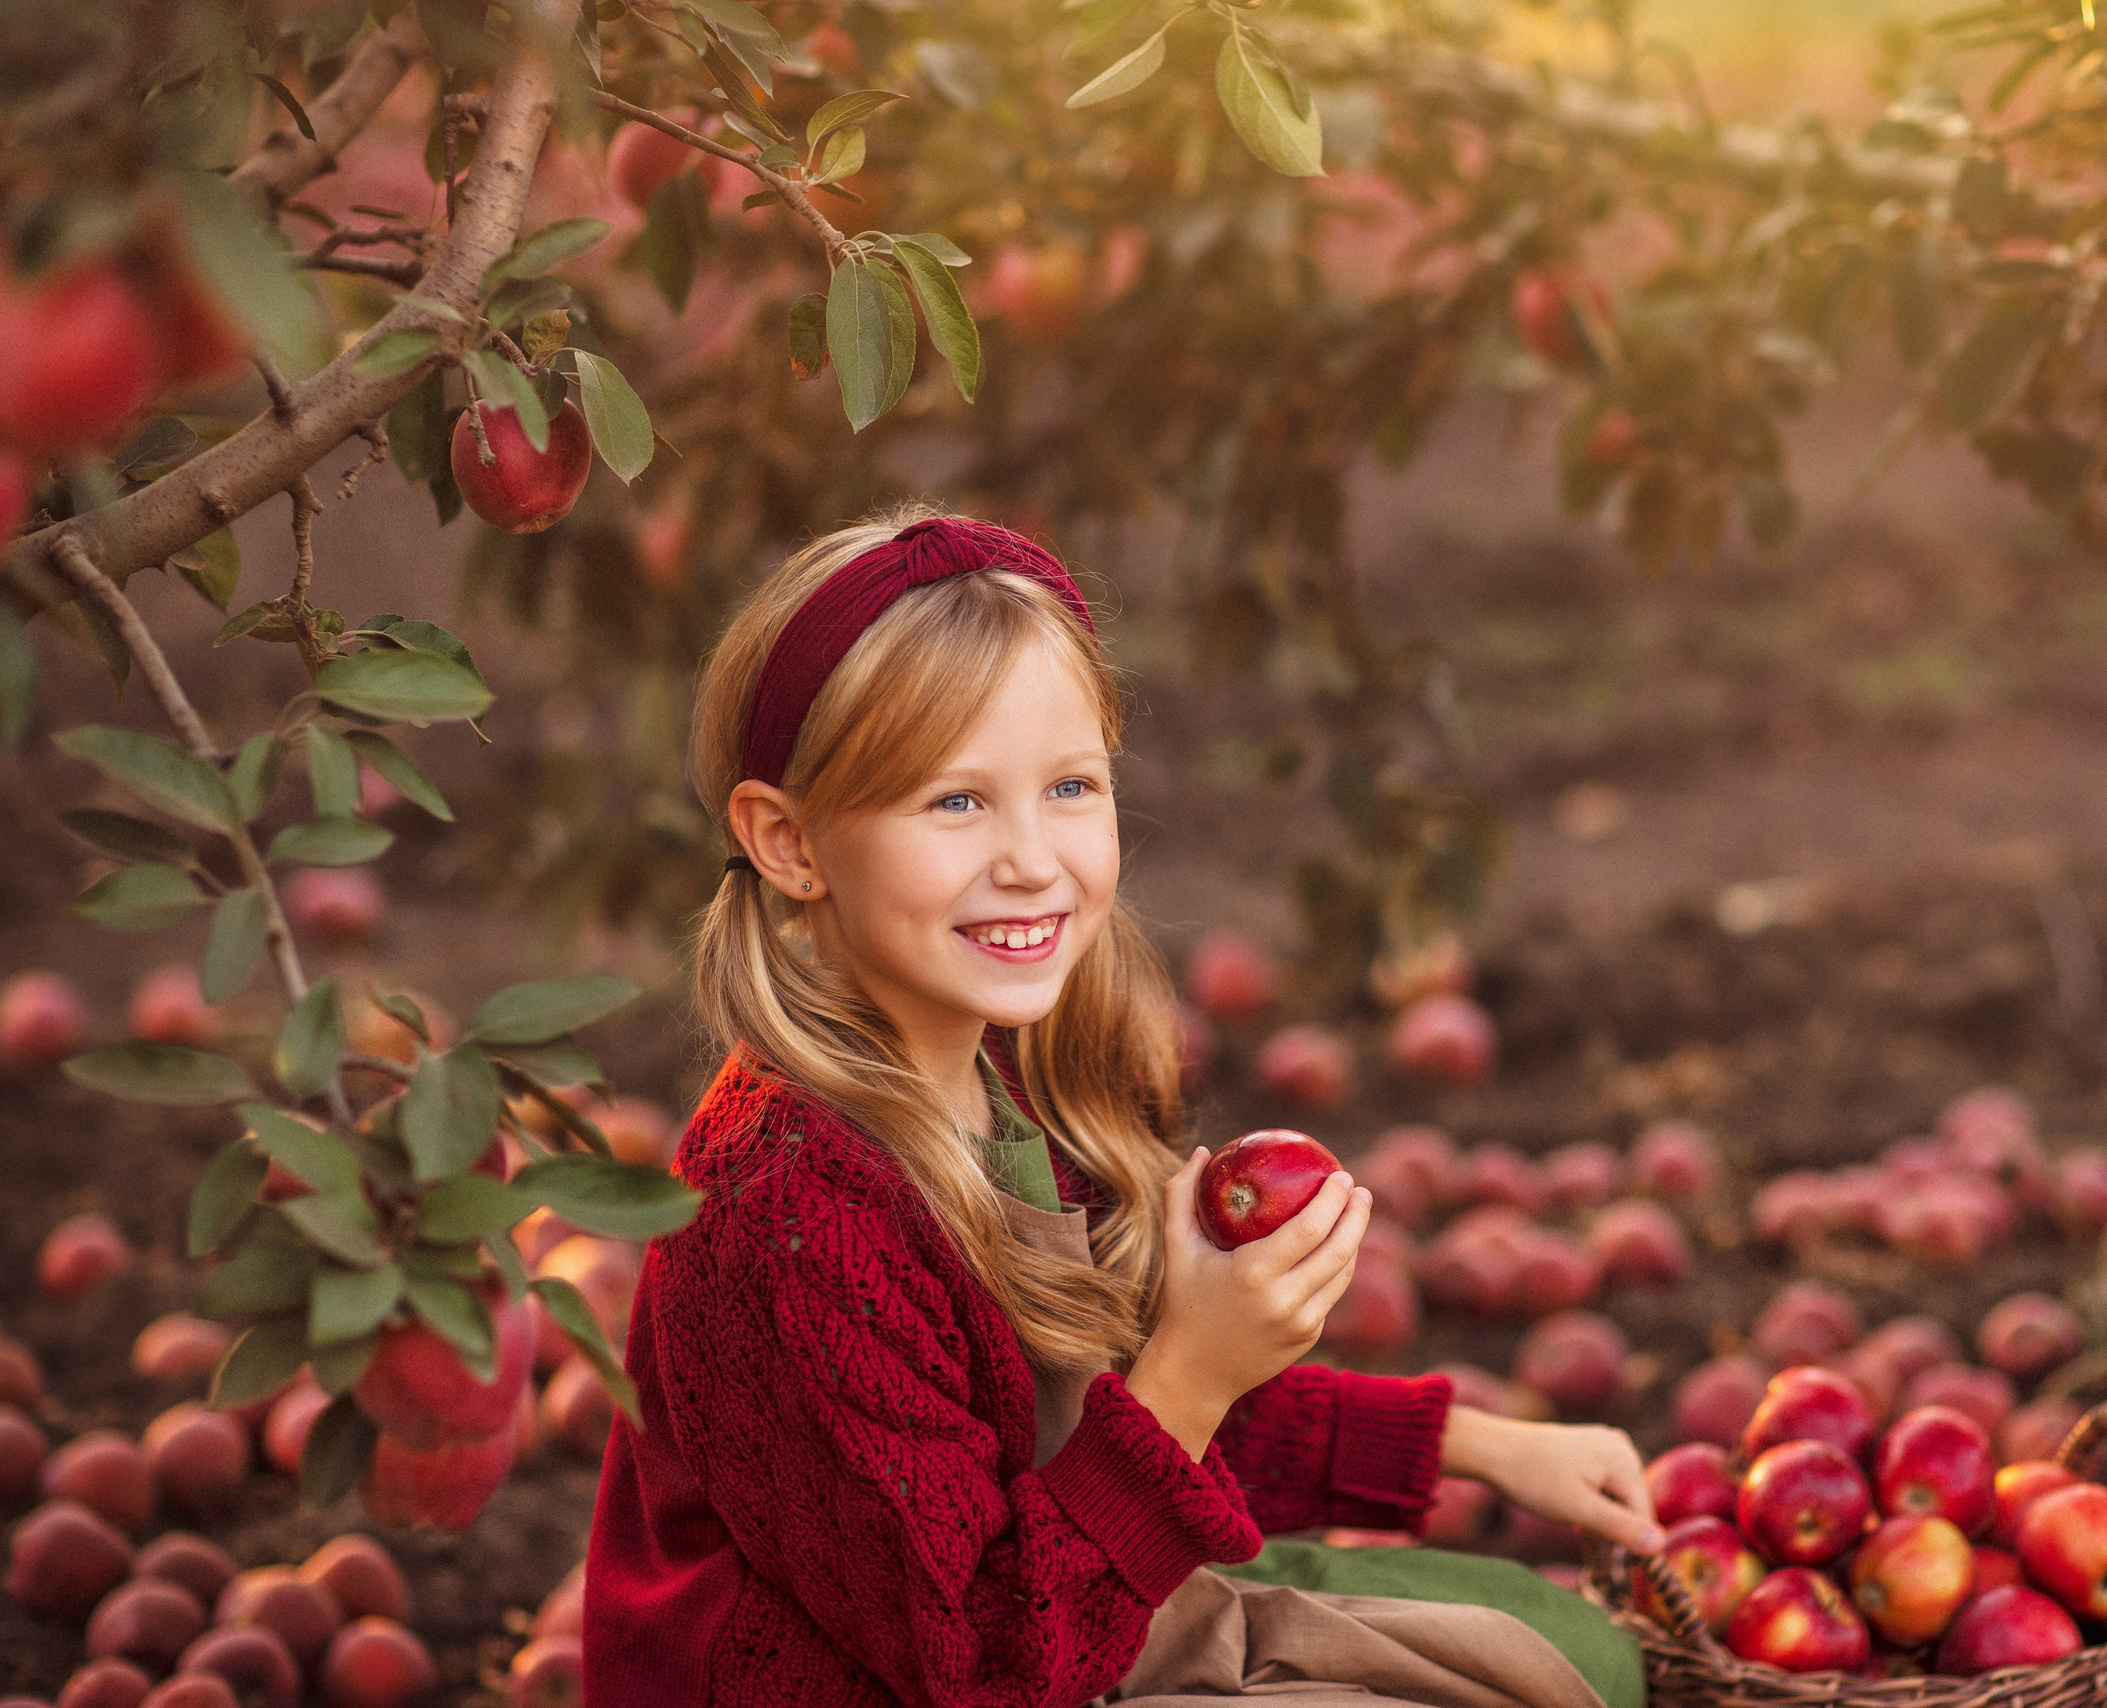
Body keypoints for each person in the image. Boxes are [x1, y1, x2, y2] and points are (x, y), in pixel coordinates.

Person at [584, 505, 1662, 1708]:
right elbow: (985, 1664)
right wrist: (1192, 1370)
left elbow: (1107, 1421)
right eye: (954, 801)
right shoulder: (790, 1207)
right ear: (789, 842)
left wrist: (1483, 1444)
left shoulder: (1005, 1078)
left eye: (1068, 786)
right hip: (947, 1675)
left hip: (1068, 1618)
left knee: (1573, 1650)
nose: (1032, 859)